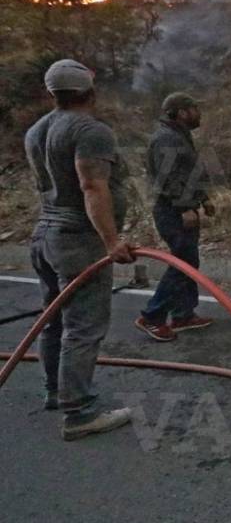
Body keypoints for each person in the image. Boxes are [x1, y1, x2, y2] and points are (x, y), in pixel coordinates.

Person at [25, 59, 136, 441]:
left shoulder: (37, 130)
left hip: (45, 236)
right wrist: (111, 241)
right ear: (90, 91)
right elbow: (92, 186)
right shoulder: (90, 130)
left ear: (52, 92)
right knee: (83, 327)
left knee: (53, 319)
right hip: (77, 240)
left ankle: (55, 392)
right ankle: (79, 413)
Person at [135, 92, 215, 342]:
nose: (199, 114)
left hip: (181, 207)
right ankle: (152, 316)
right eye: (195, 109)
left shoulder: (179, 135)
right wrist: (184, 208)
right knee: (183, 263)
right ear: (182, 112)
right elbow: (168, 178)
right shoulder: (166, 139)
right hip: (172, 210)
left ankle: (183, 315)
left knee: (188, 261)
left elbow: (188, 173)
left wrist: (203, 199)